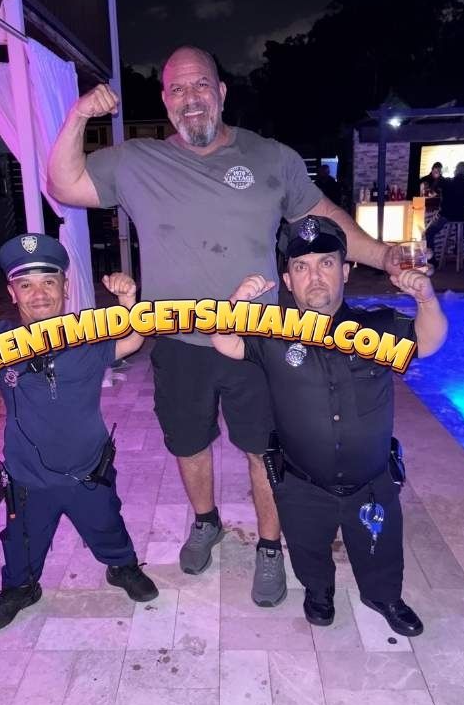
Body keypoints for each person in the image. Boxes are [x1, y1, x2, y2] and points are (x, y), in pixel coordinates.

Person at [47, 45, 415, 609]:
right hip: (177, 339)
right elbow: (63, 186)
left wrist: (384, 256)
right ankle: (205, 521)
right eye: (177, 90)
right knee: (189, 444)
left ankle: (270, 546)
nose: (190, 100)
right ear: (166, 100)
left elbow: (322, 217)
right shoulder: (136, 161)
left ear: (222, 93)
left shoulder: (271, 159)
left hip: (257, 339)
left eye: (201, 87)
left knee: (262, 448)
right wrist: (77, 117)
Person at [210, 215, 447, 636]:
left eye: (326, 263)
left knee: (381, 548)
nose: (314, 276)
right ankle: (318, 591)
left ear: (346, 270)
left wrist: (427, 300)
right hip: (302, 481)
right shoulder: (273, 331)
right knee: (307, 548)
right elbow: (226, 342)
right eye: (301, 267)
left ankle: (383, 596)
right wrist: (237, 303)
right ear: (287, 278)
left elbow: (427, 342)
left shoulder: (377, 328)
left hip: (371, 481)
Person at [0, 234, 158, 632]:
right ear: (12, 292)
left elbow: (133, 339)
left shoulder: (88, 333)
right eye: (26, 284)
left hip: (88, 469)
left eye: (49, 282)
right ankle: (20, 588)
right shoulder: (2, 342)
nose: (39, 294)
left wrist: (128, 300)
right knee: (21, 541)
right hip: (28, 476)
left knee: (106, 523)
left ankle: (121, 567)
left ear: (65, 288)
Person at [424, 161, 464, 266]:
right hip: (463, 216)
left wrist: (437, 179)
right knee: (463, 220)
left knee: (429, 232)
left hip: (447, 215)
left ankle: (432, 259)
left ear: (455, 169)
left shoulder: (447, 182)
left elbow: (432, 189)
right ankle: (457, 247)